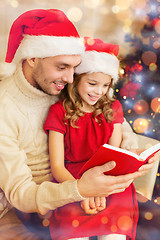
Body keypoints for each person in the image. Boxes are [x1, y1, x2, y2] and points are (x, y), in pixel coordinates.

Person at [0, 9, 157, 240]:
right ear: (32, 58)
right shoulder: (6, 109)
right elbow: (22, 195)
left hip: (93, 185)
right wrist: (81, 191)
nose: (71, 79)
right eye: (62, 67)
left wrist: (129, 153)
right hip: (50, 200)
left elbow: (116, 124)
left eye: (75, 68)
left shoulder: (62, 86)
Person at [43, 37, 138, 240]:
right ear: (76, 79)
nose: (99, 91)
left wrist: (101, 190)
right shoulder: (58, 112)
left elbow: (115, 160)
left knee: (114, 235)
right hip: (72, 181)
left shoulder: (113, 109)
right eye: (92, 83)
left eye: (105, 85)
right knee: (73, 232)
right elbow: (58, 167)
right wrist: (82, 191)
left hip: (109, 181)